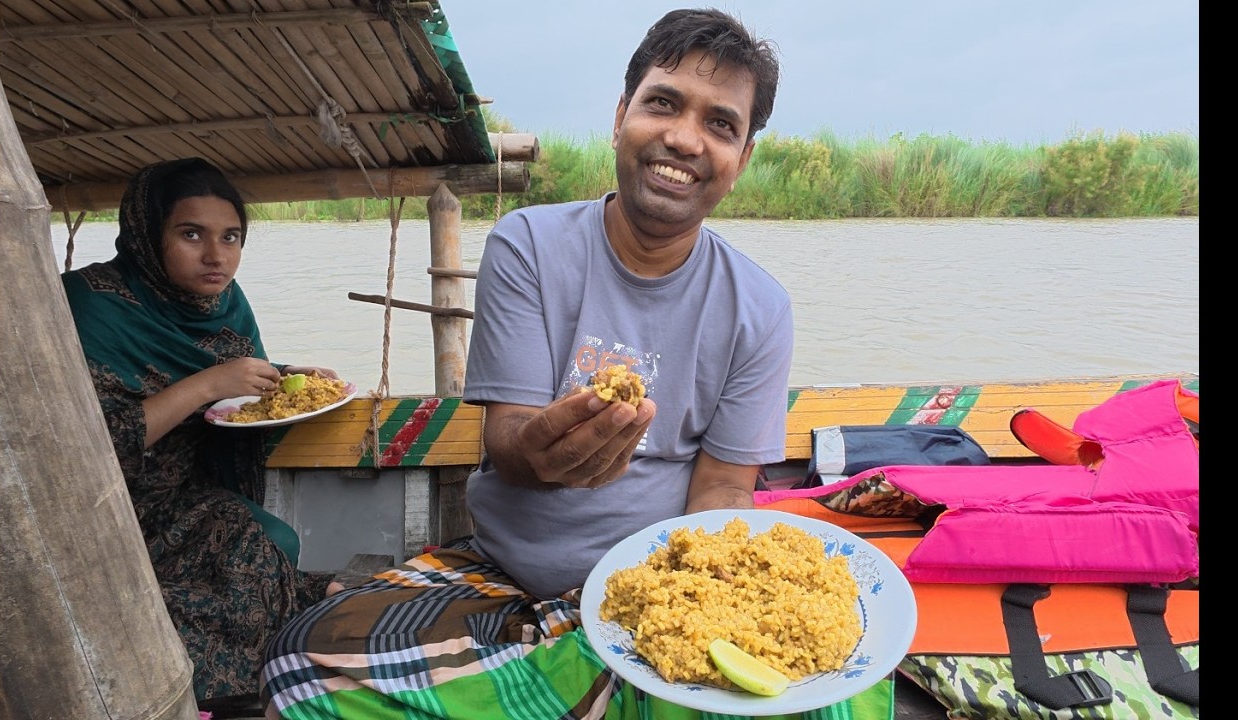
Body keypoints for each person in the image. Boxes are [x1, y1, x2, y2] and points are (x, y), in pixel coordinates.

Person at [259, 10, 881, 720]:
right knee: (300, 667)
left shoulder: (760, 308)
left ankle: (586, 676)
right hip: (501, 578)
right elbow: (506, 443)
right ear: (620, 117)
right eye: (663, 103)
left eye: (720, 124)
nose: (684, 138)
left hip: (655, 589)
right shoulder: (528, 244)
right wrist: (548, 454)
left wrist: (688, 603)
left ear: (741, 157)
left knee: (837, 697)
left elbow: (722, 488)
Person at [60, 157, 345, 702]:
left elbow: (231, 379)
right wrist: (209, 383)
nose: (217, 256)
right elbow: (82, 448)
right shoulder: (87, 303)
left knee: (264, 541)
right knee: (173, 606)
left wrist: (288, 376)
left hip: (177, 495)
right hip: (92, 508)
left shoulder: (222, 303)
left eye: (230, 237)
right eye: (191, 234)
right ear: (147, 234)